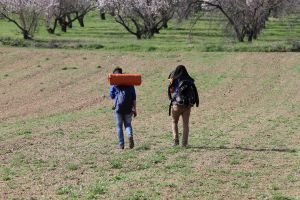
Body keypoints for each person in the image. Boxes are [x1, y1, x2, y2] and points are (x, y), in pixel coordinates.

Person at [168, 65, 199, 147]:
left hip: (176, 105)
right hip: (187, 106)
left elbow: (170, 90)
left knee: (174, 122)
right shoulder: (189, 80)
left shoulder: (174, 79)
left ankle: (175, 141)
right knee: (185, 124)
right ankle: (184, 143)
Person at [109, 67, 137, 149]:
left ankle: (121, 145)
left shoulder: (114, 83)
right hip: (128, 108)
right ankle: (129, 135)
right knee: (128, 124)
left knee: (119, 126)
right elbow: (134, 97)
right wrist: (135, 109)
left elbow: (111, 95)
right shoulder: (130, 83)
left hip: (118, 108)